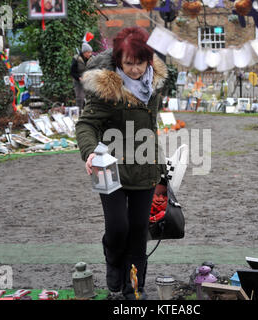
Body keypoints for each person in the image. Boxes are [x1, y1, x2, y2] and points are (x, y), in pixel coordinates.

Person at [75, 27, 168, 300]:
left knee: (139, 232)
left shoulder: (154, 84)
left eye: (140, 63)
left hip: (145, 166)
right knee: (117, 228)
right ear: (118, 61)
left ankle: (133, 289)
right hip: (109, 168)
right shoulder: (108, 88)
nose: (136, 69)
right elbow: (86, 124)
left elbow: (150, 126)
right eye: (129, 63)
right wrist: (90, 152)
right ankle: (113, 261)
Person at [70, 41, 92, 109]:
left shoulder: (92, 59)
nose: (90, 54)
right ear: (84, 52)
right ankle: (78, 112)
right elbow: (72, 71)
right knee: (80, 98)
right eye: (88, 52)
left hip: (88, 81)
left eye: (91, 52)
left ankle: (88, 112)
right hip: (78, 81)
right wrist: (79, 78)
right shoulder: (76, 58)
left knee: (90, 97)